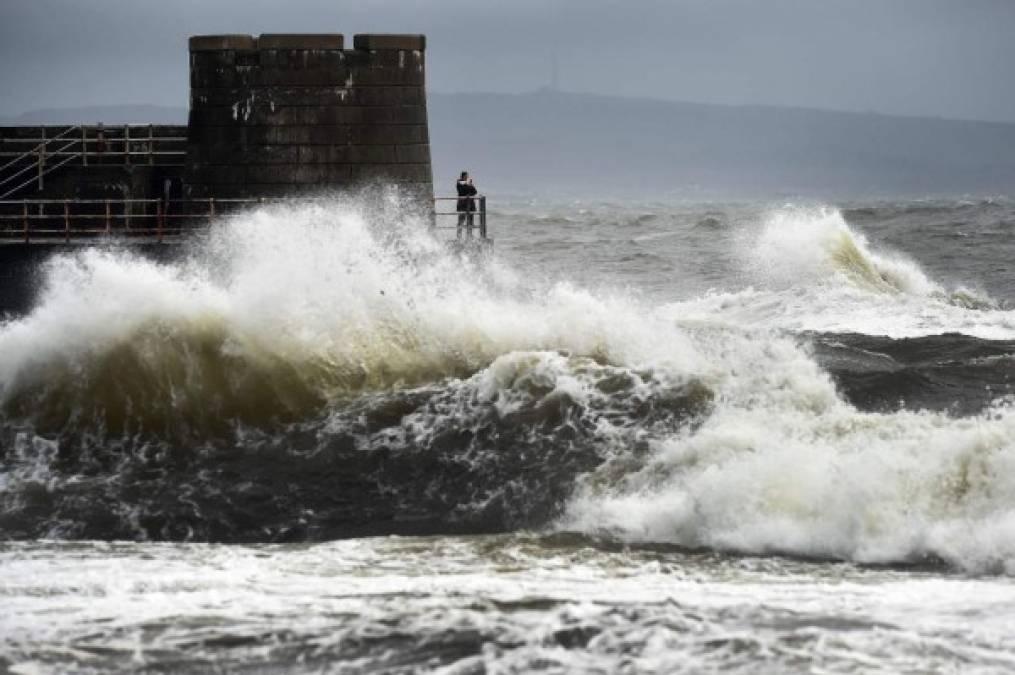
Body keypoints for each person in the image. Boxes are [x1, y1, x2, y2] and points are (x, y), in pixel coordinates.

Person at [456, 171, 478, 238]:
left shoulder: (469, 183)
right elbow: (462, 191)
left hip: (470, 205)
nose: (467, 177)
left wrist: (469, 188)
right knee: (461, 221)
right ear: (462, 177)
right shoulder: (459, 183)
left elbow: (475, 191)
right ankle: (459, 236)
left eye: (467, 176)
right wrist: (468, 185)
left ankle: (469, 235)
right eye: (465, 176)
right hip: (462, 205)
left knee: (470, 222)